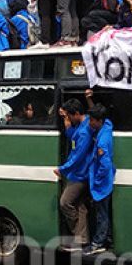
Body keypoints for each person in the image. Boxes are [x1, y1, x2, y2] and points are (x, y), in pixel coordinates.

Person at [55, 99, 93, 251]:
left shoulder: (85, 131)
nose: (69, 119)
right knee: (80, 206)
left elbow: (78, 155)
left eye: (70, 116)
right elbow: (71, 135)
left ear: (77, 113)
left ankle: (77, 236)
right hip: (79, 172)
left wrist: (62, 168)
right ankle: (81, 240)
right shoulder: (82, 125)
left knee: (65, 203)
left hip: (80, 174)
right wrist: (65, 118)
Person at [85, 105, 115, 256]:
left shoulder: (102, 141)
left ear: (98, 121)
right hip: (106, 181)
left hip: (102, 183)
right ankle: (107, 239)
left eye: (91, 120)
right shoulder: (107, 127)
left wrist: (96, 181)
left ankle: (98, 242)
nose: (89, 123)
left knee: (101, 214)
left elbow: (105, 164)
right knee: (105, 212)